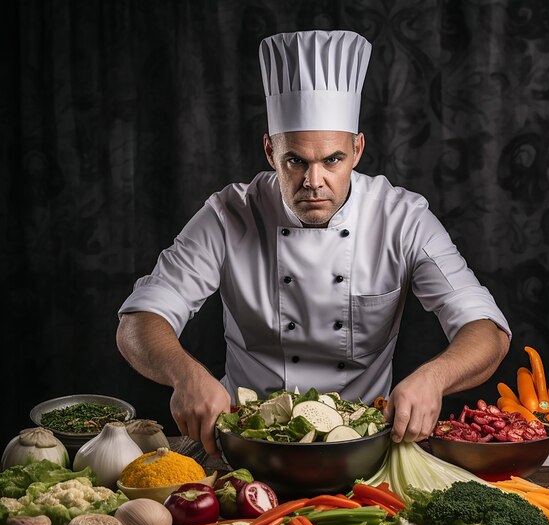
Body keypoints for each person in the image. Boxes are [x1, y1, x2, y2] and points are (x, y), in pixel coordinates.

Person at [116, 29, 511, 456]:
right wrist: (185, 375)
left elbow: (486, 331)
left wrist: (435, 377)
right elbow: (139, 321)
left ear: (357, 149)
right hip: (245, 444)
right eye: (296, 161)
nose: (313, 182)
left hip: (364, 445)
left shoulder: (403, 219)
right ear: (270, 151)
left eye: (332, 160)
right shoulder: (228, 214)